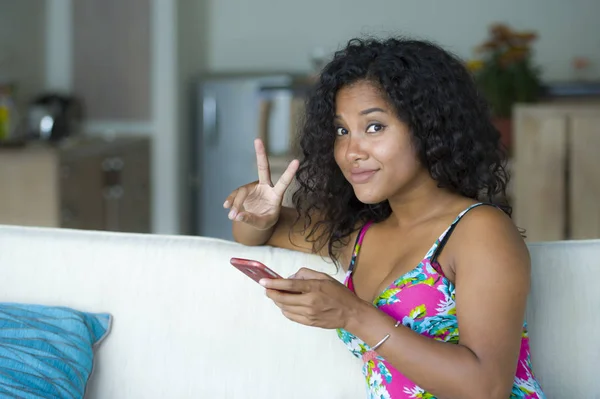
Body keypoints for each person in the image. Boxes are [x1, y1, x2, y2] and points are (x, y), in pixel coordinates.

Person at [223, 37, 545, 399]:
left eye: (374, 127)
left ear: (428, 128)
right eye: (342, 130)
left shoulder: (479, 230)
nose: (350, 151)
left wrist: (353, 315)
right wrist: (259, 214)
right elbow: (256, 234)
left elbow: (486, 388)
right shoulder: (358, 236)